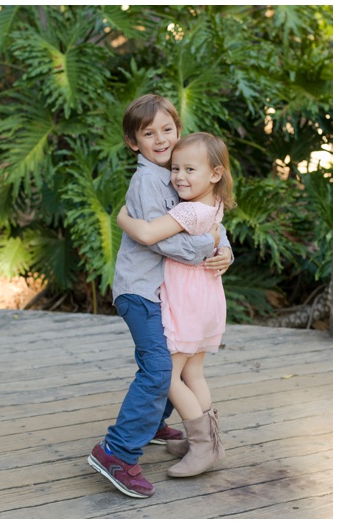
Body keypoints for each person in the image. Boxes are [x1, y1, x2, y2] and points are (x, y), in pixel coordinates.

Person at [87, 94, 233, 498]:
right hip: (142, 292)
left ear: (179, 130)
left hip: (167, 293)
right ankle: (116, 452)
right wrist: (209, 246)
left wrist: (223, 249)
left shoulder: (183, 172)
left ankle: (156, 427)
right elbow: (161, 242)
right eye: (148, 133)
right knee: (159, 371)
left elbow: (209, 221)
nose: (160, 138)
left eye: (167, 129)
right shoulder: (149, 180)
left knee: (170, 367)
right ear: (134, 142)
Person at [117, 132, 234, 477]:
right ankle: (210, 439)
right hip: (208, 296)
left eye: (189, 170)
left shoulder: (187, 210)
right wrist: (222, 246)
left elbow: (151, 233)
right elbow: (215, 237)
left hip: (187, 300)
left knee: (167, 375)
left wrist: (123, 218)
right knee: (192, 371)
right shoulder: (213, 204)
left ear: (214, 174)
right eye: (176, 169)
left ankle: (202, 447)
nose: (179, 176)